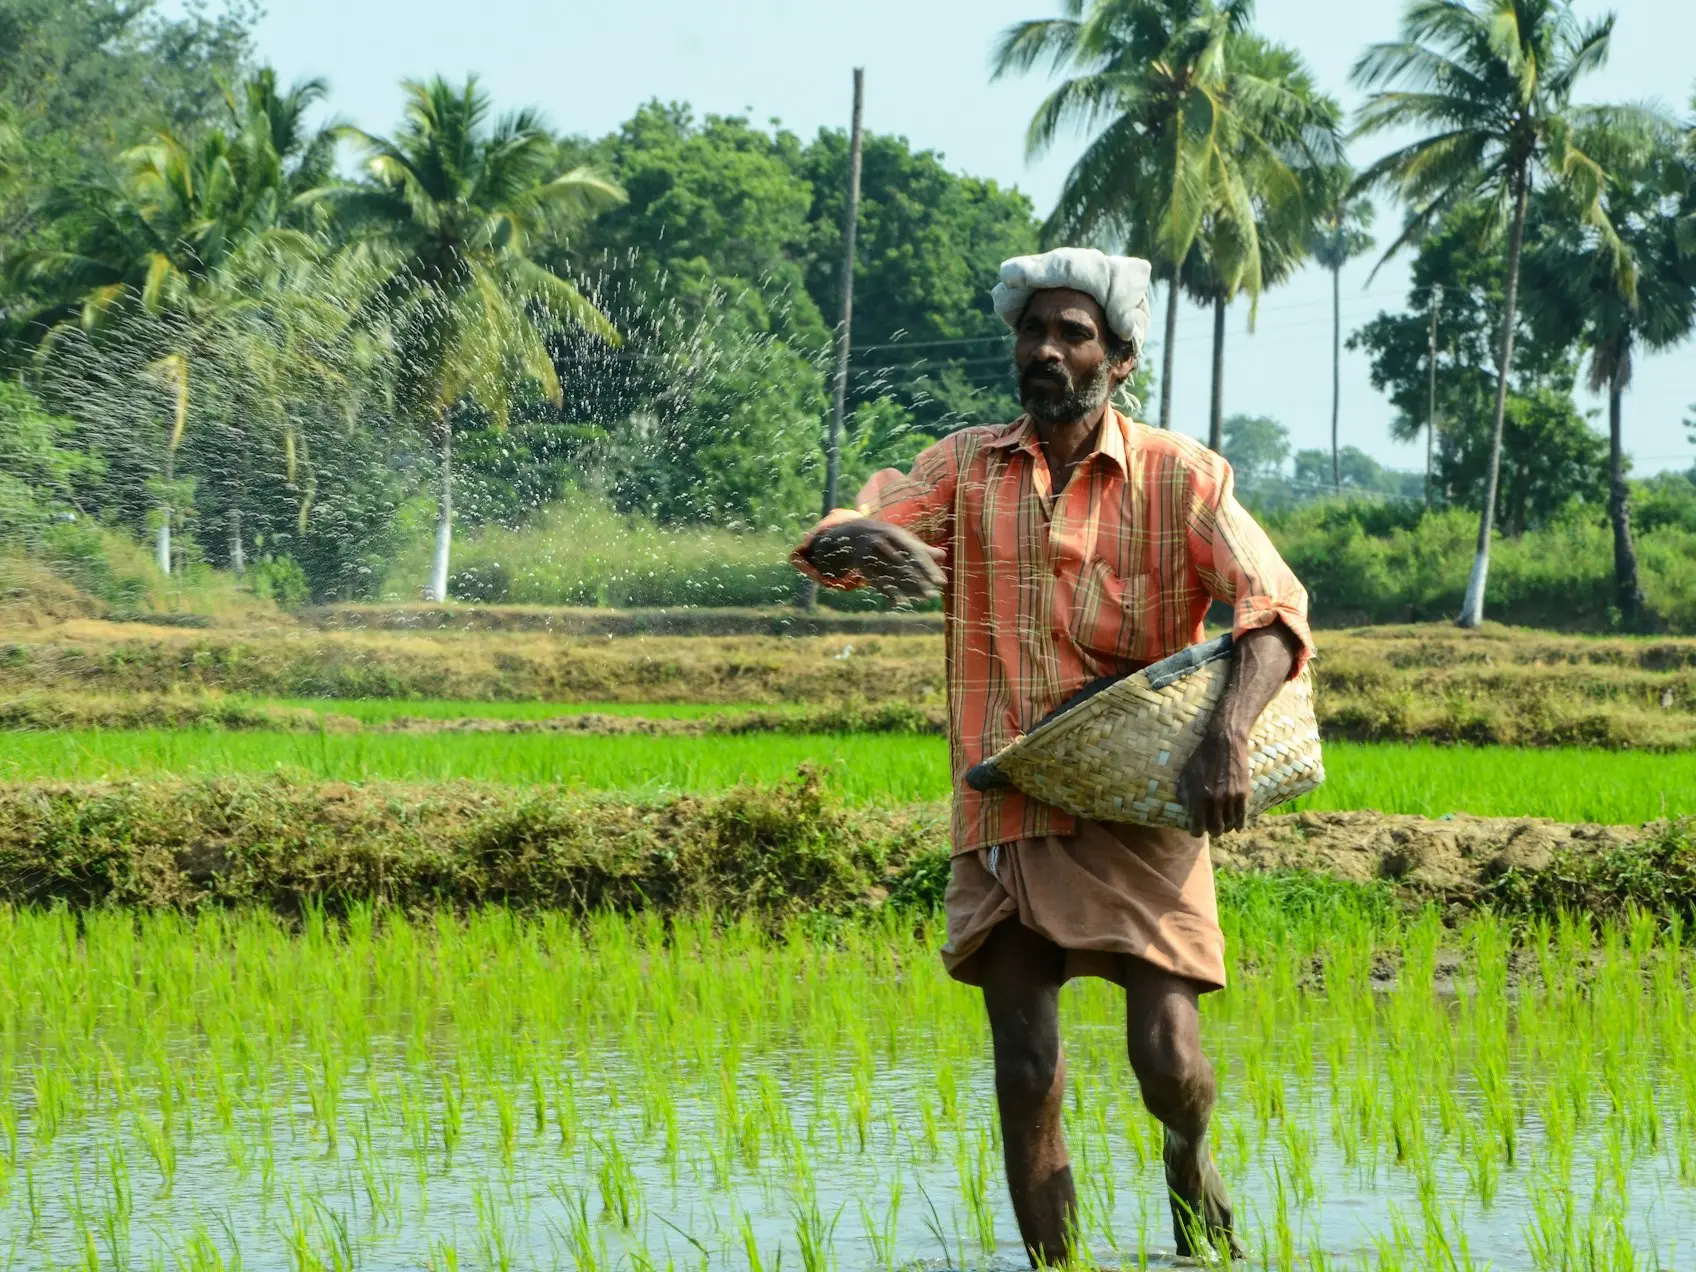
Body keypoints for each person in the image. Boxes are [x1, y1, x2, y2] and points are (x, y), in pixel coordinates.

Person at [791, 247, 1314, 1264]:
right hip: (1007, 799)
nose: (1045, 349)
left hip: (1138, 798)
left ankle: (1188, 1171)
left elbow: (1273, 615)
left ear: (1118, 361)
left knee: (1165, 1061)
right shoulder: (963, 468)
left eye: (1071, 334)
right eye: (1033, 332)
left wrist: (1225, 737)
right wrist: (864, 538)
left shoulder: (1181, 478)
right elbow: (834, 548)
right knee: (1027, 1071)